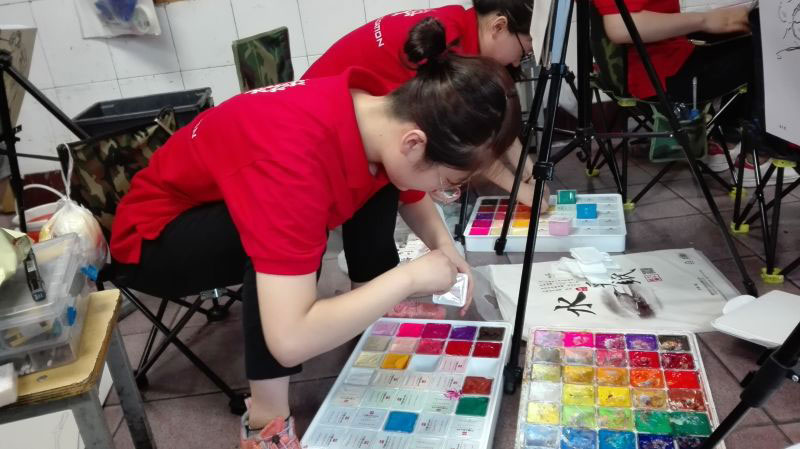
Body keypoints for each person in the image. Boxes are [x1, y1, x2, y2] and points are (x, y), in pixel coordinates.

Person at [108, 18, 520, 449]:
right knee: (287, 245)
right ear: (415, 143)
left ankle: (365, 307)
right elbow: (289, 341)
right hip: (153, 240)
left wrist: (445, 247)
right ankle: (265, 424)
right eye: (448, 182)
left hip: (217, 199)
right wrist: (409, 278)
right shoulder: (295, 165)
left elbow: (407, 183)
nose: (443, 192)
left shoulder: (383, 110)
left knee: (381, 180)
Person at [304, 0, 548, 293]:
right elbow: (467, 146)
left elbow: (485, 135)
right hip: (324, 131)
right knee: (371, 231)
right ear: (499, 26)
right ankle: (368, 302)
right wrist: (521, 190)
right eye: (524, 52)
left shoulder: (453, 30)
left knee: (385, 215)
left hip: (344, 117)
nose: (517, 63)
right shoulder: (450, 49)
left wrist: (525, 169)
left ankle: (370, 299)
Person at [594, 1, 797, 185]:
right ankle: (760, 155)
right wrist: (705, 20)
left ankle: (724, 142)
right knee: (769, 43)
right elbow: (620, 27)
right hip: (662, 77)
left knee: (749, 34)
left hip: (645, 72)